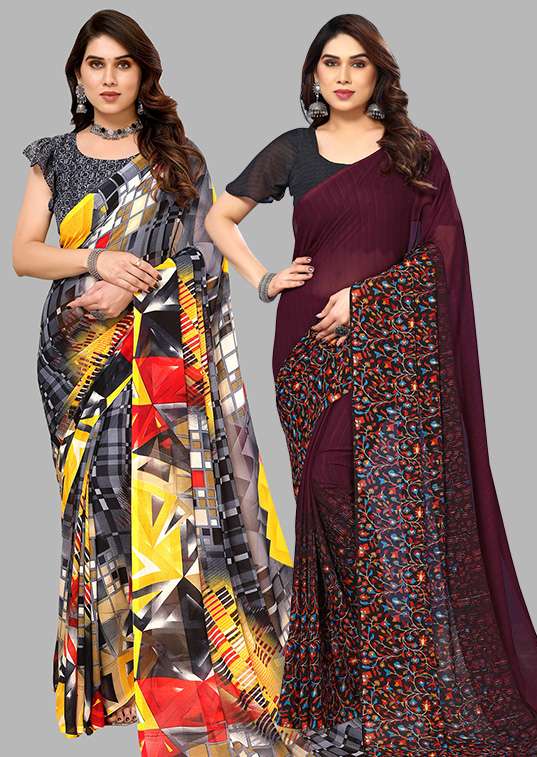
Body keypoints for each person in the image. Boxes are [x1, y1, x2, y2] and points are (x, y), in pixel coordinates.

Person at [204, 13, 537, 756]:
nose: (343, 76)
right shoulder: (292, 150)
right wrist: (265, 279)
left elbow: (444, 253)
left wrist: (368, 302)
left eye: (358, 63)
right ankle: (348, 697)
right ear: (313, 74)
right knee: (327, 504)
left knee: (394, 513)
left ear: (379, 74)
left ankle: (402, 691)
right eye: (330, 63)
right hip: (306, 352)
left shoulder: (412, 149)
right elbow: (220, 216)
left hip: (395, 357)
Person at [12, 10, 303, 756]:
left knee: (167, 516)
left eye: (123, 65)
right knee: (97, 514)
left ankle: (183, 688)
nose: (109, 79)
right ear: (78, 75)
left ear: (144, 74)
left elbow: (203, 258)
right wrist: (97, 262)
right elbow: (24, 255)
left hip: (159, 362)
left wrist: (135, 289)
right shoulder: (52, 156)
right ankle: (109, 684)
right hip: (76, 362)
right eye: (96, 65)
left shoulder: (177, 159)